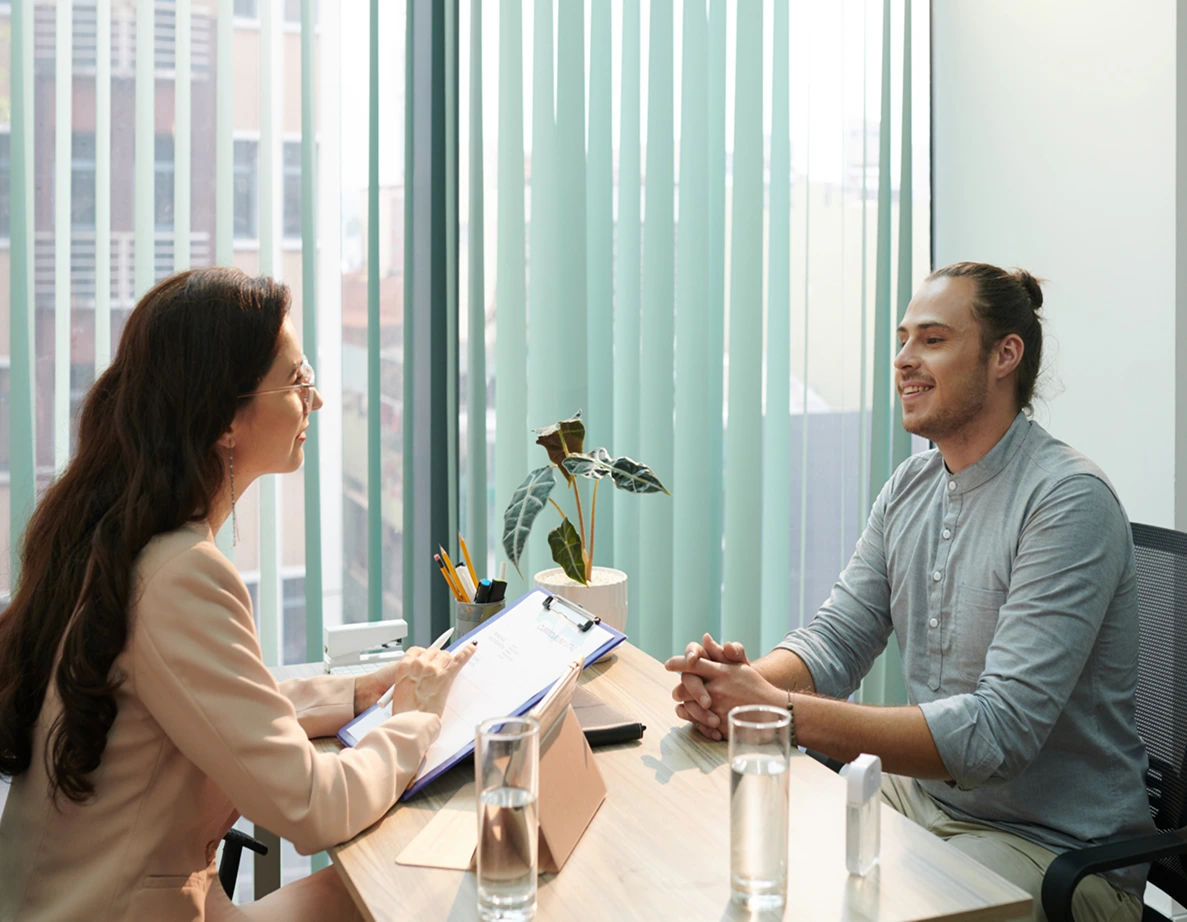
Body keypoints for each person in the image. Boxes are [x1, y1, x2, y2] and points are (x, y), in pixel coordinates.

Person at [667, 262, 1153, 922]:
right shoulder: (909, 487)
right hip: (921, 801)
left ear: (1004, 355)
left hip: (1052, 850)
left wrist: (775, 710)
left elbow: (996, 734)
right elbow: (836, 640)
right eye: (901, 340)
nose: (902, 360)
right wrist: (736, 688)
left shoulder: (1067, 501)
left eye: (932, 339)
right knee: (741, 861)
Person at [0, 268, 476, 922]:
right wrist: (413, 720)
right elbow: (313, 807)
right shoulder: (181, 575)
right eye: (297, 378)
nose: (316, 400)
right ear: (226, 419)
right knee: (408, 888)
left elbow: (205, 696)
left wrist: (357, 694)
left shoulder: (108, 541)